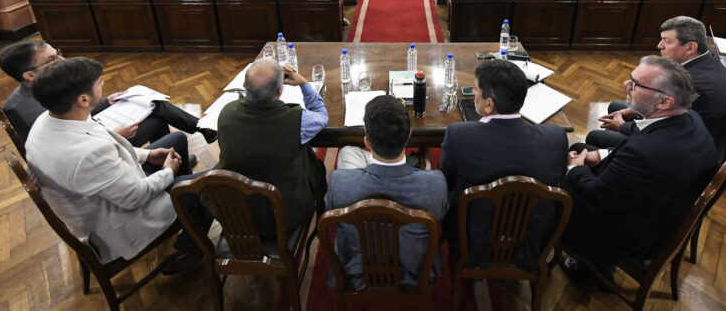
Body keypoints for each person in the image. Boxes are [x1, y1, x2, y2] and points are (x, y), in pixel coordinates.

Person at [25, 57, 210, 266]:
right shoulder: (87, 154)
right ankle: (184, 249)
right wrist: (167, 172)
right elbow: (135, 197)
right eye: (99, 82)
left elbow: (106, 140)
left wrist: (147, 155)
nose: (103, 84)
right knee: (211, 183)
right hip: (125, 219)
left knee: (176, 140)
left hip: (112, 190)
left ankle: (187, 214)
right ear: (83, 100)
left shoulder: (51, 119)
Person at [560, 56, 719, 279]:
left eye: (635, 84)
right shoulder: (690, 117)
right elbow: (642, 143)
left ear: (664, 102)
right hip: (662, 208)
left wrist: (575, 169)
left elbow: (598, 195)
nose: (626, 85)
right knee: (581, 147)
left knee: (556, 185)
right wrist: (600, 156)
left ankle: (589, 271)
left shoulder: (644, 153)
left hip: (637, 235)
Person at [439, 59, 568, 270]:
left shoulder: (459, 136)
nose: (473, 91)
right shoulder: (556, 138)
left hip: (472, 241)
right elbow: (560, 180)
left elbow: (445, 182)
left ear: (489, 104)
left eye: (476, 89)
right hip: (531, 241)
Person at [329, 95, 448, 290]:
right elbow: (442, 216)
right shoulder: (435, 185)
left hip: (358, 271)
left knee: (347, 154)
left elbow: (334, 221)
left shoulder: (338, 183)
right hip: (415, 271)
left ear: (367, 142)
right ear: (409, 135)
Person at [0, 40, 206, 147]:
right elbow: (70, 144)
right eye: (52, 60)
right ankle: (191, 142)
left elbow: (77, 108)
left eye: (57, 54)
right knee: (158, 119)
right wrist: (115, 135)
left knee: (150, 103)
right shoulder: (26, 110)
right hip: (98, 144)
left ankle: (203, 131)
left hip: (97, 129)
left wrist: (107, 100)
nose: (62, 61)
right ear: (29, 75)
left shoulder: (51, 85)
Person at [587, 17, 726, 158]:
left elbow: (662, 126)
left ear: (690, 47)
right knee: (617, 106)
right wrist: (629, 112)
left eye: (667, 41)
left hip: (683, 150)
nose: (659, 46)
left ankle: (613, 160)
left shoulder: (687, 84)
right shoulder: (706, 61)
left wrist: (622, 126)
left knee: (596, 136)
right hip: (695, 131)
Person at [215, 59, 328, 235]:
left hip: (239, 210)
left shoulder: (226, 113)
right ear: (280, 90)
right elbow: (321, 116)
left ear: (244, 85)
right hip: (285, 213)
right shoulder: (297, 121)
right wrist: (304, 84)